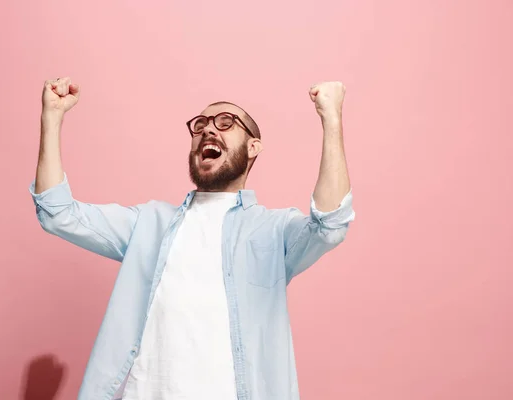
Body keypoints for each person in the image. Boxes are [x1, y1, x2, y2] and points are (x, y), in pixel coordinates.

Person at [29, 77, 355, 400]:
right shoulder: (149, 224)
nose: (209, 130)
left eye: (226, 122)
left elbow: (331, 223)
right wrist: (52, 117)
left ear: (253, 146)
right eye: (200, 125)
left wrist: (332, 119)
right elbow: (58, 214)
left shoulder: (273, 230)